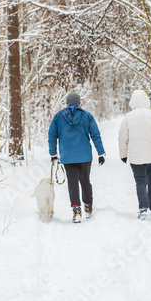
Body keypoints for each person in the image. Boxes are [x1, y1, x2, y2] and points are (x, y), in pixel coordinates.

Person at [48, 92, 106, 223]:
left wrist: (53, 153)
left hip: (67, 156)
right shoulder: (87, 116)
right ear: (79, 103)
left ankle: (76, 211)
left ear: (67, 103)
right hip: (85, 156)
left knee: (72, 182)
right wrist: (101, 152)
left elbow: (52, 136)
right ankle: (88, 207)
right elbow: (95, 134)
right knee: (85, 180)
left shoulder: (58, 117)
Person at [118, 90, 151, 220]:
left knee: (140, 182)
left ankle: (143, 208)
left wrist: (123, 155)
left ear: (133, 102)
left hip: (136, 158)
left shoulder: (128, 117)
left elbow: (122, 138)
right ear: (146, 101)